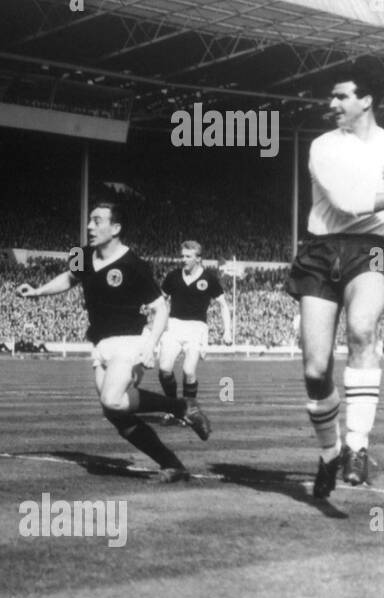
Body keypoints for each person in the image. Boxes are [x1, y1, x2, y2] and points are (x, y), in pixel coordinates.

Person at [285, 70, 384, 498]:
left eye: (340, 96)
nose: (331, 104)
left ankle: (357, 448)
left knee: (364, 330)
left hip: (372, 248)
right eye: (332, 97)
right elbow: (348, 204)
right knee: (315, 369)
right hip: (320, 249)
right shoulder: (324, 146)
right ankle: (329, 452)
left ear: (366, 100)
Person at [17, 202, 211, 483]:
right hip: (101, 344)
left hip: (131, 342)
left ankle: (181, 407)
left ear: (116, 228)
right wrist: (37, 292)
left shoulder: (134, 264)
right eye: (90, 221)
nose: (90, 227)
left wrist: (150, 345)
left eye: (97, 221)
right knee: (114, 412)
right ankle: (172, 463)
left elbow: (161, 308)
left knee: (112, 398)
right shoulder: (81, 254)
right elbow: (70, 278)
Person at [157, 241, 232, 422]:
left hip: (197, 328)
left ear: (198, 258)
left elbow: (223, 305)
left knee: (189, 370)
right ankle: (174, 409)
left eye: (188, 256)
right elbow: (160, 301)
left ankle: (188, 411)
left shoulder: (209, 278)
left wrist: (227, 331)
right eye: (182, 256)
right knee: (164, 369)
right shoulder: (173, 276)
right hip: (174, 326)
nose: (184, 259)